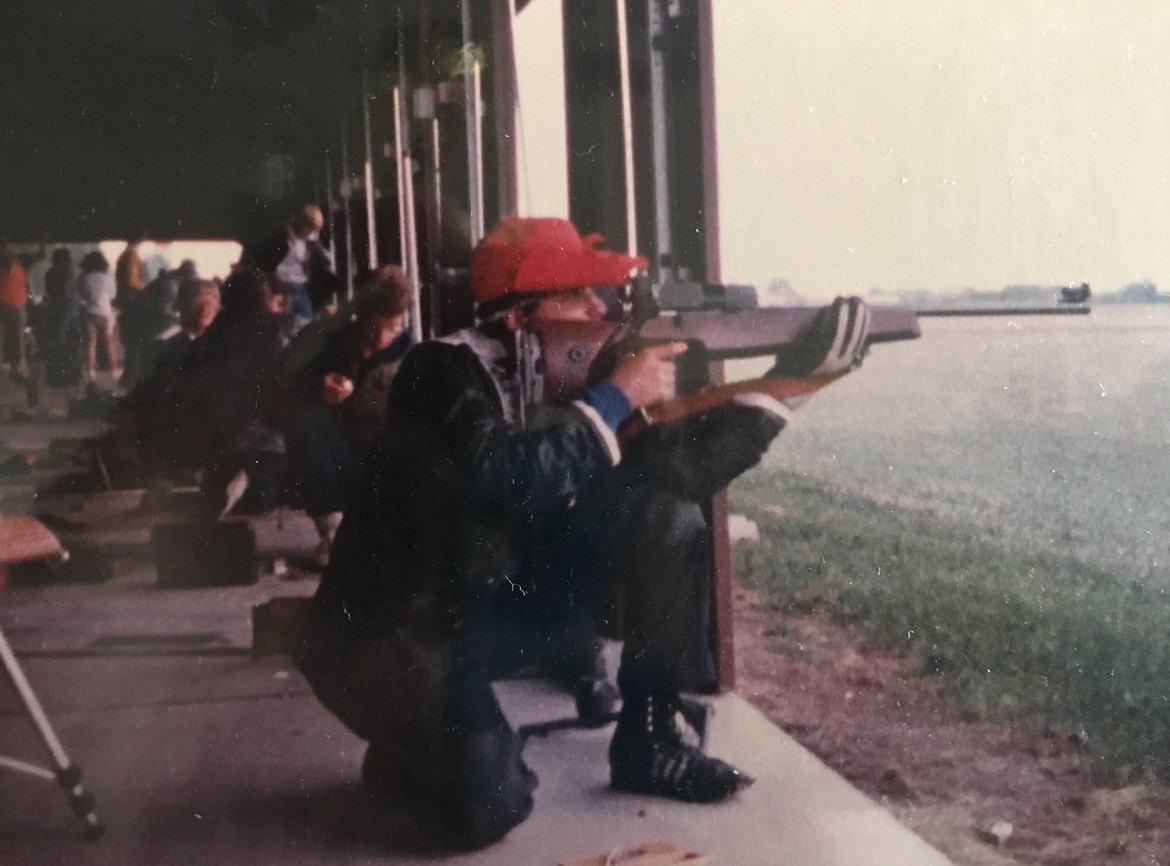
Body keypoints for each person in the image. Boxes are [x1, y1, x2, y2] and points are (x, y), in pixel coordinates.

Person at [295, 216, 872, 850]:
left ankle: (649, 740)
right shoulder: (438, 371)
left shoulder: (566, 377)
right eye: (579, 297)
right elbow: (504, 477)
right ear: (518, 318)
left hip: (486, 609)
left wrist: (793, 383)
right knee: (487, 806)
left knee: (666, 514)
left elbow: (681, 471)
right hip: (391, 632)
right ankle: (409, 764)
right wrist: (614, 400)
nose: (602, 309)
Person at [281, 266, 414, 568]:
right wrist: (317, 388)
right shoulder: (331, 342)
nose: (381, 339)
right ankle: (333, 533)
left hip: (390, 468)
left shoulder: (414, 355)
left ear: (403, 320)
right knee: (306, 419)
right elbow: (279, 387)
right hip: (339, 465)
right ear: (358, 315)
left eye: (392, 328)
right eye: (372, 328)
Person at [241, 205, 337, 332]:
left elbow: (320, 258)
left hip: (300, 286)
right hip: (278, 285)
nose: (309, 233)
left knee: (305, 321)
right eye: (308, 228)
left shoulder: (311, 242)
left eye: (313, 230)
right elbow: (263, 263)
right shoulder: (280, 236)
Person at [75, 250, 119, 385]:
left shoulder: (84, 277)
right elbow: (112, 295)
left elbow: (80, 294)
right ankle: (114, 371)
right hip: (105, 313)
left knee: (91, 343)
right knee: (109, 342)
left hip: (89, 312)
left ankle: (90, 372)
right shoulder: (107, 278)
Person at [0, 240, 31, 382]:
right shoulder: (13, 263)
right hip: (15, 305)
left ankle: (15, 369)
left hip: (8, 304)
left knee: (13, 338)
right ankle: (18, 370)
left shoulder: (11, 262)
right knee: (17, 338)